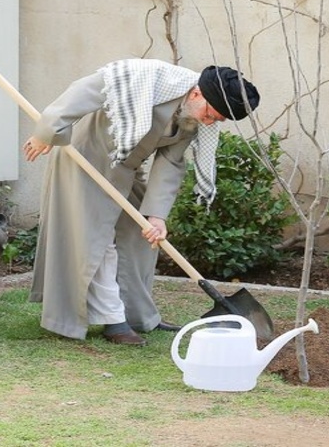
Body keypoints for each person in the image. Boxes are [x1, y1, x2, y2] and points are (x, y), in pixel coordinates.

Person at [22, 58, 260, 346]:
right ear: (197, 93)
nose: (208, 122)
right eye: (210, 115)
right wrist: (45, 133)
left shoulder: (191, 116)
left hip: (123, 170)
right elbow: (81, 91)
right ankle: (114, 321)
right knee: (97, 242)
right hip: (86, 162)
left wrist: (156, 216)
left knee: (141, 235)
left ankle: (138, 315)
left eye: (217, 121)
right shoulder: (144, 77)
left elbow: (170, 162)